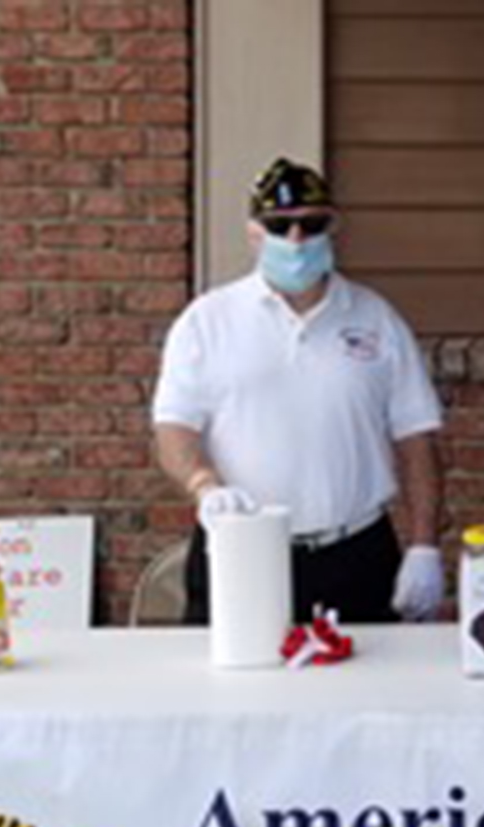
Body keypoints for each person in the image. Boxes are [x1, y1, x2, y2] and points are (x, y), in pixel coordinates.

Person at [151, 157, 446, 625]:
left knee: (368, 692)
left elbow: (416, 440)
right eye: (279, 226)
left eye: (312, 225)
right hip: (239, 550)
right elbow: (174, 430)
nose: (296, 240)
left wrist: (425, 545)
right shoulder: (208, 321)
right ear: (253, 232)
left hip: (356, 555)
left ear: (334, 228)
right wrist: (203, 486)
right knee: (232, 695)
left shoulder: (376, 319)